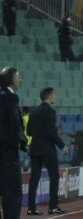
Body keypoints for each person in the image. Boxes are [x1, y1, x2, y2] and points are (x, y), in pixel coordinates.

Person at [25, 87, 68, 215]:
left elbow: (29, 132)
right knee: (54, 176)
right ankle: (53, 206)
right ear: (49, 96)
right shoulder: (50, 111)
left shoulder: (33, 112)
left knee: (34, 179)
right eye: (54, 94)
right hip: (47, 150)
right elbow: (50, 132)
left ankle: (31, 208)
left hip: (35, 149)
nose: (55, 96)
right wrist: (62, 145)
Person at [0, 67, 26, 219]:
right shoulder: (10, 98)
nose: (20, 80)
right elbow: (14, 124)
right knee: (13, 195)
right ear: (13, 80)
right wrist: (21, 142)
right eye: (18, 77)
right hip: (7, 154)